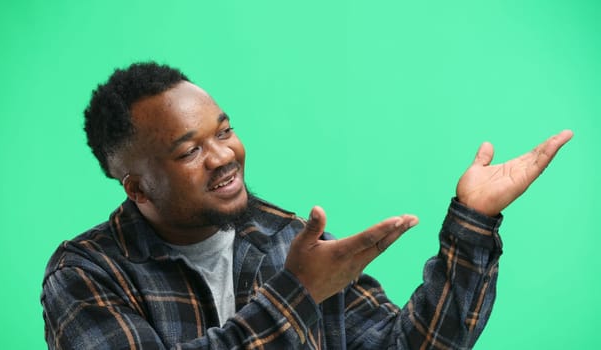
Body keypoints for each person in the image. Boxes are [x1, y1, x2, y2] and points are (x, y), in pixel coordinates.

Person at [41, 62, 573, 349]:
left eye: (224, 131)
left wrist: (472, 224)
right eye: (190, 150)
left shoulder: (285, 239)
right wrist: (296, 293)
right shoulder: (85, 273)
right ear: (137, 189)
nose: (224, 155)